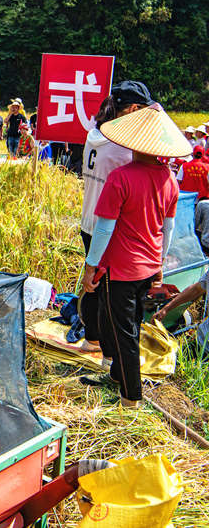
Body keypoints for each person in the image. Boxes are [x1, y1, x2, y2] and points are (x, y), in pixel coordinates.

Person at [80, 103, 187, 409]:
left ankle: (131, 398)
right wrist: (160, 265)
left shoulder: (121, 177)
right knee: (131, 325)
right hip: (149, 263)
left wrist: (91, 267)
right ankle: (117, 376)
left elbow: (103, 231)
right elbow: (168, 228)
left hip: (122, 268)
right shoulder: (168, 178)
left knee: (123, 333)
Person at [79, 81, 156, 352]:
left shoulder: (94, 133)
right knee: (109, 293)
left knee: (93, 286)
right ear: (133, 109)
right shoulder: (123, 147)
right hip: (109, 228)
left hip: (88, 220)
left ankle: (92, 339)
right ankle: (109, 352)